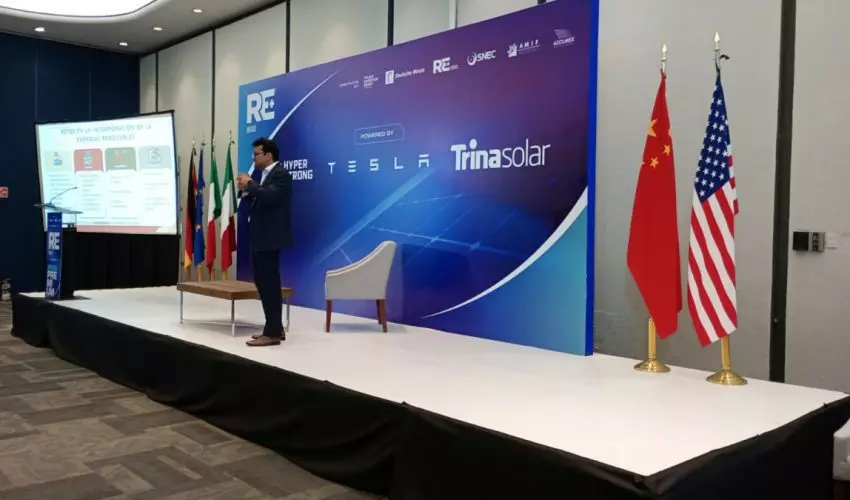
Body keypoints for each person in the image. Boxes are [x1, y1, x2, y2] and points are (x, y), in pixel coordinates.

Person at [236, 137, 293, 347]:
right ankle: (275, 327)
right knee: (263, 284)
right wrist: (245, 188)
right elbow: (257, 198)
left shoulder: (281, 174)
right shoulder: (263, 175)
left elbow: (271, 197)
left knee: (269, 285)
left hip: (270, 238)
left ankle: (272, 333)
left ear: (268, 155)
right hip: (259, 237)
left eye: (256, 154)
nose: (253, 158)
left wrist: (250, 184)